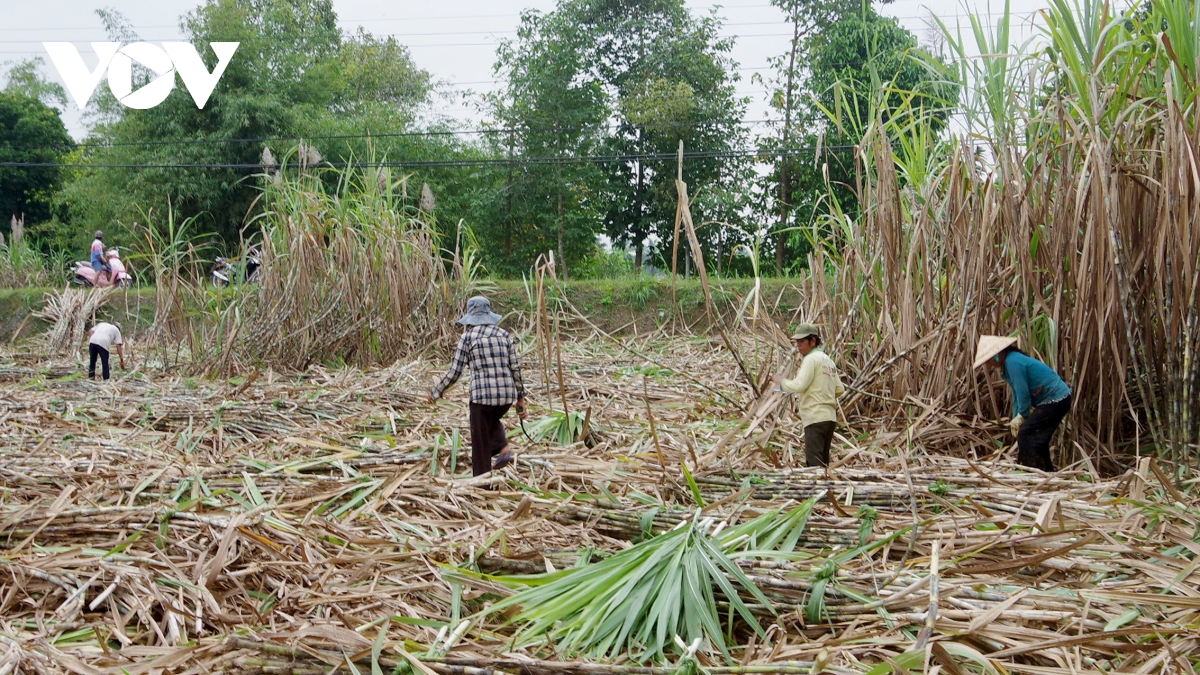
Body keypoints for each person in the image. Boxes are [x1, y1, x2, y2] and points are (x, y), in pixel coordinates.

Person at [430, 296, 528, 476]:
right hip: (506, 397)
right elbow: (516, 368)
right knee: (491, 420)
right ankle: (502, 447)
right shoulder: (505, 335)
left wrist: (437, 391)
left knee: (480, 442)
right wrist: (520, 399)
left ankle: (483, 482)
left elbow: (455, 372)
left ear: (470, 317)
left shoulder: (467, 338)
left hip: (481, 399)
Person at [974, 336, 1072, 471]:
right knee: (1038, 438)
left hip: (1056, 399)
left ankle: (1031, 472)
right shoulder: (1009, 364)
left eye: (989, 359)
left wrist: (1022, 415)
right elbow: (1016, 394)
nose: (989, 363)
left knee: (1026, 435)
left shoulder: (1012, 362)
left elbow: (1023, 393)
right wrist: (1017, 417)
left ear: (997, 354)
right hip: (1055, 400)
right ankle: (1046, 473)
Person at [770, 323, 845, 467]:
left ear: (813, 341)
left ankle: (818, 489)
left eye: (802, 341)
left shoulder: (811, 359)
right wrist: (823, 394)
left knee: (814, 465)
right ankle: (825, 487)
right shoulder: (828, 360)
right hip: (829, 418)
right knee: (823, 463)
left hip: (815, 417)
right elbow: (839, 389)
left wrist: (781, 382)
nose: (798, 345)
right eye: (797, 342)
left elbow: (799, 385)